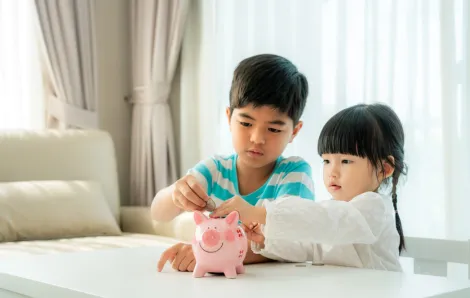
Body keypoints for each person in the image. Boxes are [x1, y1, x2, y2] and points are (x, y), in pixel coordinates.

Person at [153, 54, 315, 272]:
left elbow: (292, 242)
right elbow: (158, 214)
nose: (257, 138)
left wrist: (215, 253)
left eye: (274, 129)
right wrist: (177, 194)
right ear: (229, 118)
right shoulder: (215, 169)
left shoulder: (295, 173)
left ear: (294, 131)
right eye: (246, 123)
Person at [211, 103, 407, 271]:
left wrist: (259, 213)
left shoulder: (374, 209)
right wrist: (265, 240)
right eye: (327, 161)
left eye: (346, 161)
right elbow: (306, 247)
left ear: (384, 169)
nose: (333, 172)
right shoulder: (332, 211)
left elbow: (327, 220)